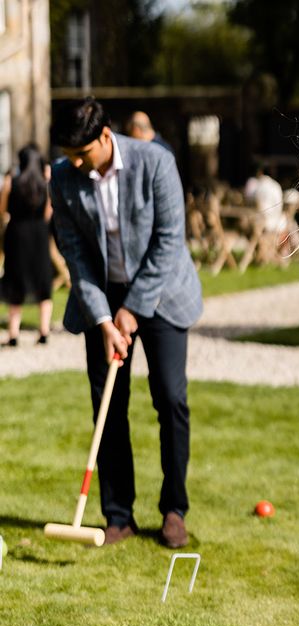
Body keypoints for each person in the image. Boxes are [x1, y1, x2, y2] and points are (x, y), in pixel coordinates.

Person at [49, 97, 203, 547]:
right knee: (108, 403)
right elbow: (75, 254)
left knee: (170, 398)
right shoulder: (62, 176)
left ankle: (174, 509)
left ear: (104, 135)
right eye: (69, 154)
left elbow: (169, 241)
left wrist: (132, 309)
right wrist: (103, 317)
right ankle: (118, 515)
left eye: (83, 153)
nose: (75, 163)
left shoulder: (155, 161)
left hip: (163, 291)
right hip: (102, 295)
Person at [0, 144, 54, 346]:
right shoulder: (45, 183)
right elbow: (48, 213)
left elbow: (3, 210)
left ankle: (13, 334)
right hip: (39, 233)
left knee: (15, 278)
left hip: (17, 233)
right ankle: (44, 330)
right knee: (42, 277)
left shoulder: (11, 182)